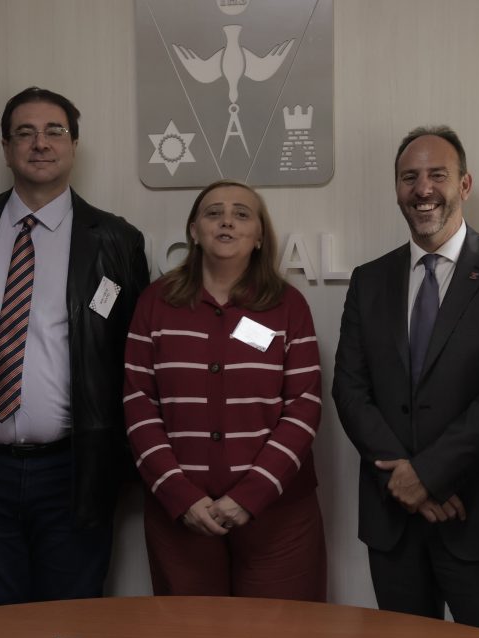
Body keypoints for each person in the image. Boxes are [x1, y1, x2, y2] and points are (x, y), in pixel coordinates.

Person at [0, 86, 150, 608]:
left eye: (54, 132)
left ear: (74, 146)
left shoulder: (115, 239)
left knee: (73, 636)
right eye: (24, 133)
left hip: (73, 471)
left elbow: (135, 357)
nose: (40, 143)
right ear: (6, 149)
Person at [332, 126, 479, 637]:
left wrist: (428, 474)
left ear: (465, 185)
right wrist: (402, 480)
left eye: (437, 175)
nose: (422, 189)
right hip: (394, 523)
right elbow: (350, 389)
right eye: (410, 177)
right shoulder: (370, 280)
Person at [123, 180, 327, 600]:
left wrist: (250, 496)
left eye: (241, 213)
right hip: (181, 515)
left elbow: (303, 407)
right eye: (213, 212)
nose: (227, 221)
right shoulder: (155, 303)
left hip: (278, 516)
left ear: (259, 237)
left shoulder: (288, 306)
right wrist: (180, 495)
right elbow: (138, 404)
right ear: (194, 230)